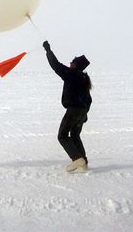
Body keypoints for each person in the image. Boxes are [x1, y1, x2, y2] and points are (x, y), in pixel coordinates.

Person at [43, 40, 92, 173]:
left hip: (74, 111)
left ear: (76, 65)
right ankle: (84, 163)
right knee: (75, 135)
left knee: (62, 135)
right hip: (81, 112)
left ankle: (77, 159)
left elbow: (56, 66)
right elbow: (89, 100)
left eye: (72, 62)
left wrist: (48, 51)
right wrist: (84, 114)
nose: (70, 63)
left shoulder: (72, 74)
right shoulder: (83, 78)